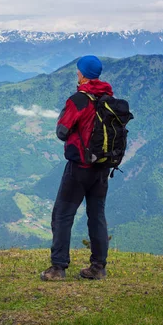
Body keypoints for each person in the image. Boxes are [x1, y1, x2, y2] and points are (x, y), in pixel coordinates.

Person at [40, 55, 113, 281]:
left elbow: (62, 131)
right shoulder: (108, 98)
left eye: (78, 71)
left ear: (82, 74)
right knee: (97, 215)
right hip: (102, 168)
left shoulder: (79, 100)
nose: (77, 74)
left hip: (79, 167)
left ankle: (58, 268)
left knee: (62, 215)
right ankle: (98, 267)